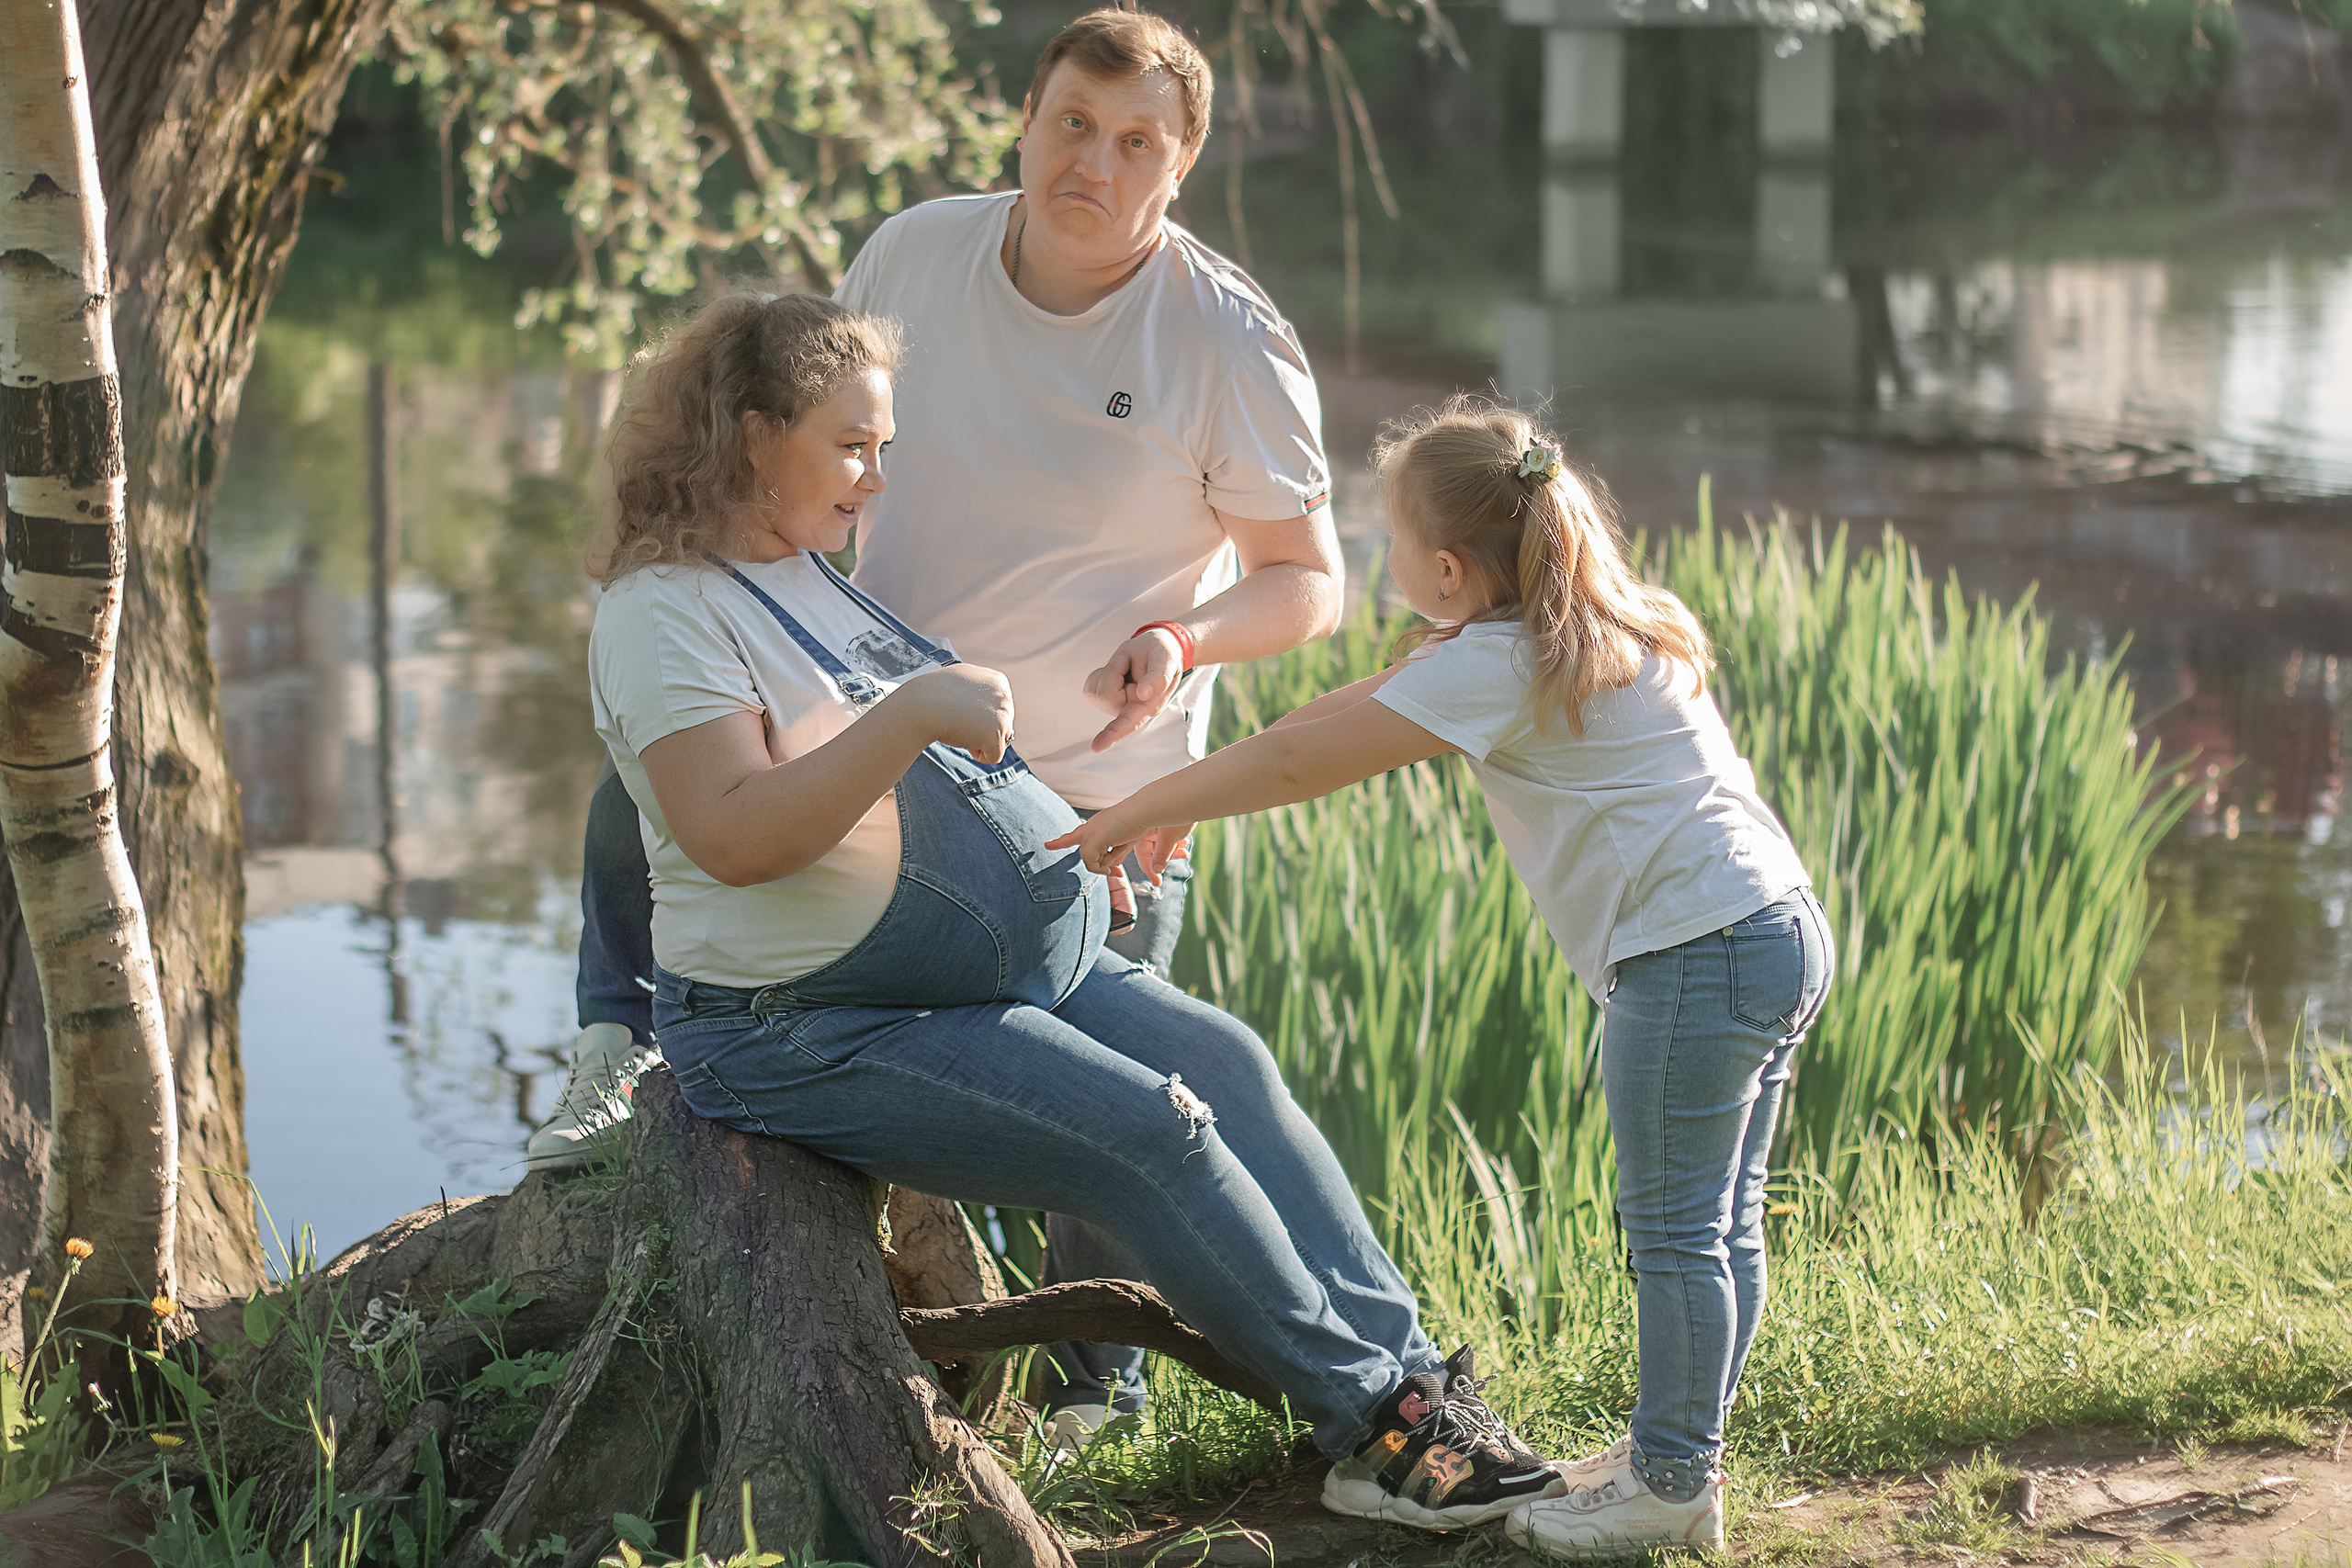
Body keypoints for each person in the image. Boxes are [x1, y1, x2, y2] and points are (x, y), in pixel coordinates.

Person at [586, 291, 1564, 1531]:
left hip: (945, 974)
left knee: (1230, 1064)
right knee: (1154, 1129)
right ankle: (1371, 1428)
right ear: (751, 434)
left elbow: (915, 781)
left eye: (884, 445)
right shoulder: (663, 612)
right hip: (798, 1021)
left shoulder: (798, 574)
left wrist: (1044, 842)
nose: (878, 475)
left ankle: (1421, 1386)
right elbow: (731, 834)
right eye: (852, 445)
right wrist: (915, 713)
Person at [532, 6, 1344, 1440]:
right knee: (668, 764)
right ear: (1026, 120)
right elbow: (823, 440)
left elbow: (1310, 580)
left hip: (1090, 793)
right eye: (1073, 123)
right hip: (874, 757)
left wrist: (1183, 640)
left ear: (1180, 166)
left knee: (1126, 1105)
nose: (1094, 163)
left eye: (1136, 143)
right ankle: (620, 1029)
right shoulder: (913, 254)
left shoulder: (1228, 335)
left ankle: (1101, 1404)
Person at [1055, 395, 1836, 1559]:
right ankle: (1676, 1455)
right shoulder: (1611, 624)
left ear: (1448, 568)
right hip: (1776, 927)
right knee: (1720, 1224)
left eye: (1392, 540)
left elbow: (1304, 758)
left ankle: (1673, 1485)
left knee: (1676, 1235)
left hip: (1691, 953)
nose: (1385, 559)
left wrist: (1137, 810)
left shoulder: (1498, 664)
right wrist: (1183, 797)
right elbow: (1340, 712)